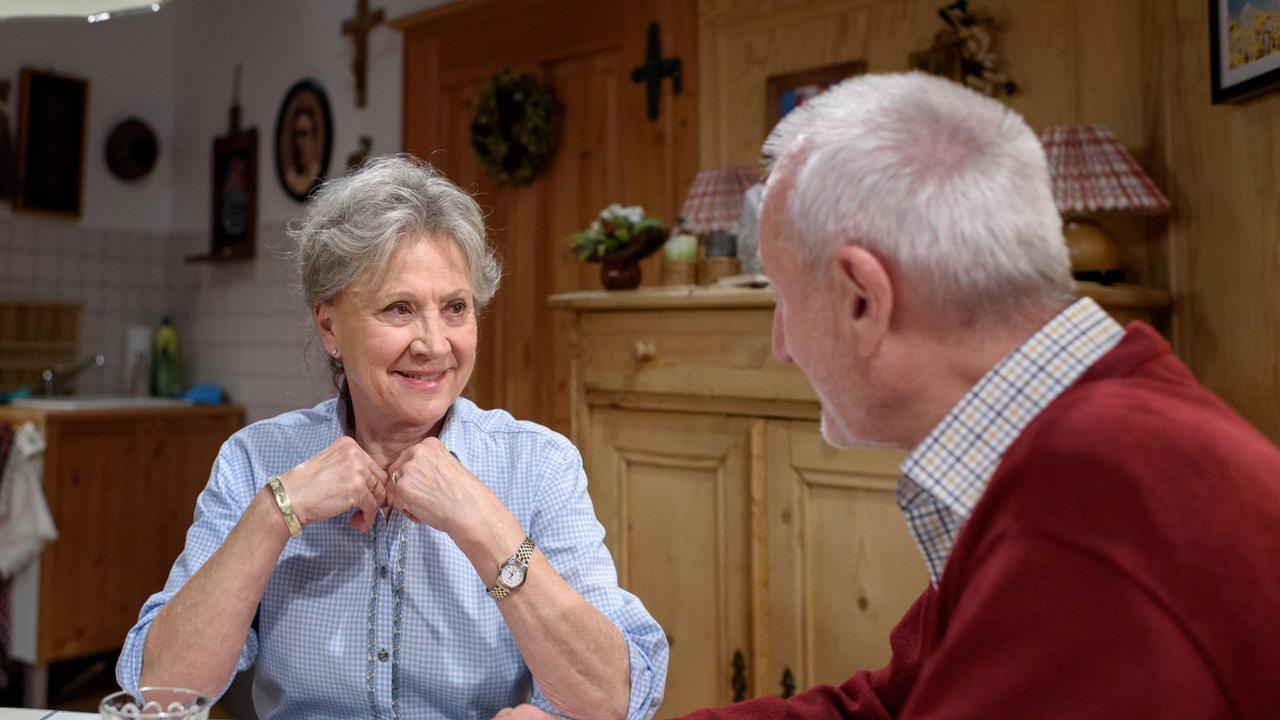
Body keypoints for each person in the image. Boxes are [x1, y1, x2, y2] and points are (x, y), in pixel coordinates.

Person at [116, 155, 669, 720]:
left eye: (455, 308)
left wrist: (481, 521)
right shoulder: (255, 459)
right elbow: (161, 694)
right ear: (329, 326)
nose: (434, 343)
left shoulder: (538, 464)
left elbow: (615, 700)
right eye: (399, 309)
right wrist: (275, 512)